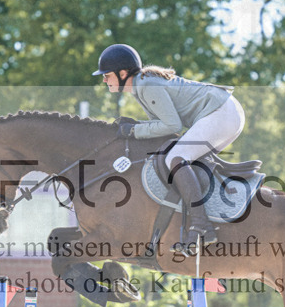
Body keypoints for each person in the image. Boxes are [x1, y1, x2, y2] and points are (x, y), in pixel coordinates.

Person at [92, 43, 245, 255]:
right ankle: (203, 220)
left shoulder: (146, 86)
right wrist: (134, 127)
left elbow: (172, 127)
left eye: (107, 75)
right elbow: (164, 128)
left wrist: (134, 131)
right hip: (224, 112)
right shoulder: (140, 86)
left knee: (176, 158)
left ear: (123, 73)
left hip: (221, 113)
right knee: (183, 160)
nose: (103, 79)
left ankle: (202, 227)